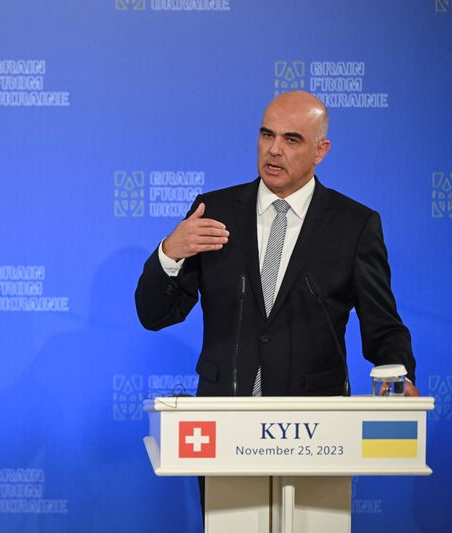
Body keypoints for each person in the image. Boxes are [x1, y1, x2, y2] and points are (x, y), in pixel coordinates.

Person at [135, 91, 418, 398]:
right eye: (267, 135)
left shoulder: (353, 225)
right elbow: (155, 316)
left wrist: (400, 381)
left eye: (291, 139)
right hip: (224, 415)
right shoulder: (215, 211)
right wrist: (170, 252)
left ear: (320, 151)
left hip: (315, 423)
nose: (274, 150)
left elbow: (383, 327)